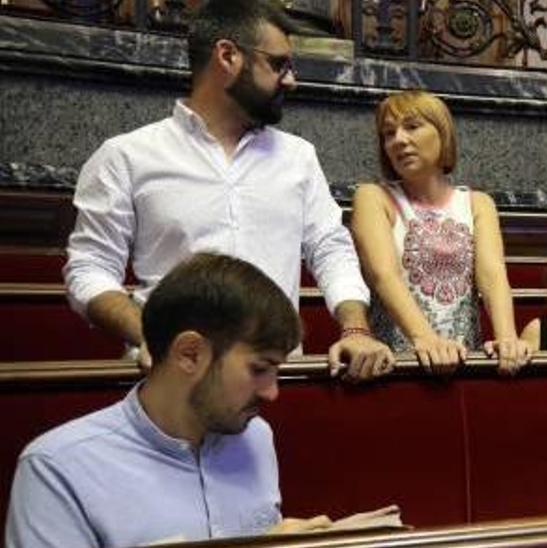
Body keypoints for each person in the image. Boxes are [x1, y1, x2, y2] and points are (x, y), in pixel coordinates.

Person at [61, 0, 393, 380]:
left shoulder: (298, 157)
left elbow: (330, 248)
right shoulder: (127, 156)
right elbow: (90, 269)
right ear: (227, 56)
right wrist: (152, 336)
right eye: (278, 64)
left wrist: (355, 329)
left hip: (275, 379)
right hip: (173, 381)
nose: (291, 80)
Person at [7, 253, 330, 547]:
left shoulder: (255, 436)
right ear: (190, 354)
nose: (272, 393)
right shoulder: (58, 467)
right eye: (259, 369)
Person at [350, 90, 531, 375]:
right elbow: (383, 274)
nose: (398, 140)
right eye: (388, 133)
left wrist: (507, 338)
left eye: (411, 127)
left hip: (465, 363)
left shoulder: (477, 202)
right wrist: (426, 339)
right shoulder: (372, 196)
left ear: (443, 133)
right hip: (398, 366)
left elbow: (492, 276)